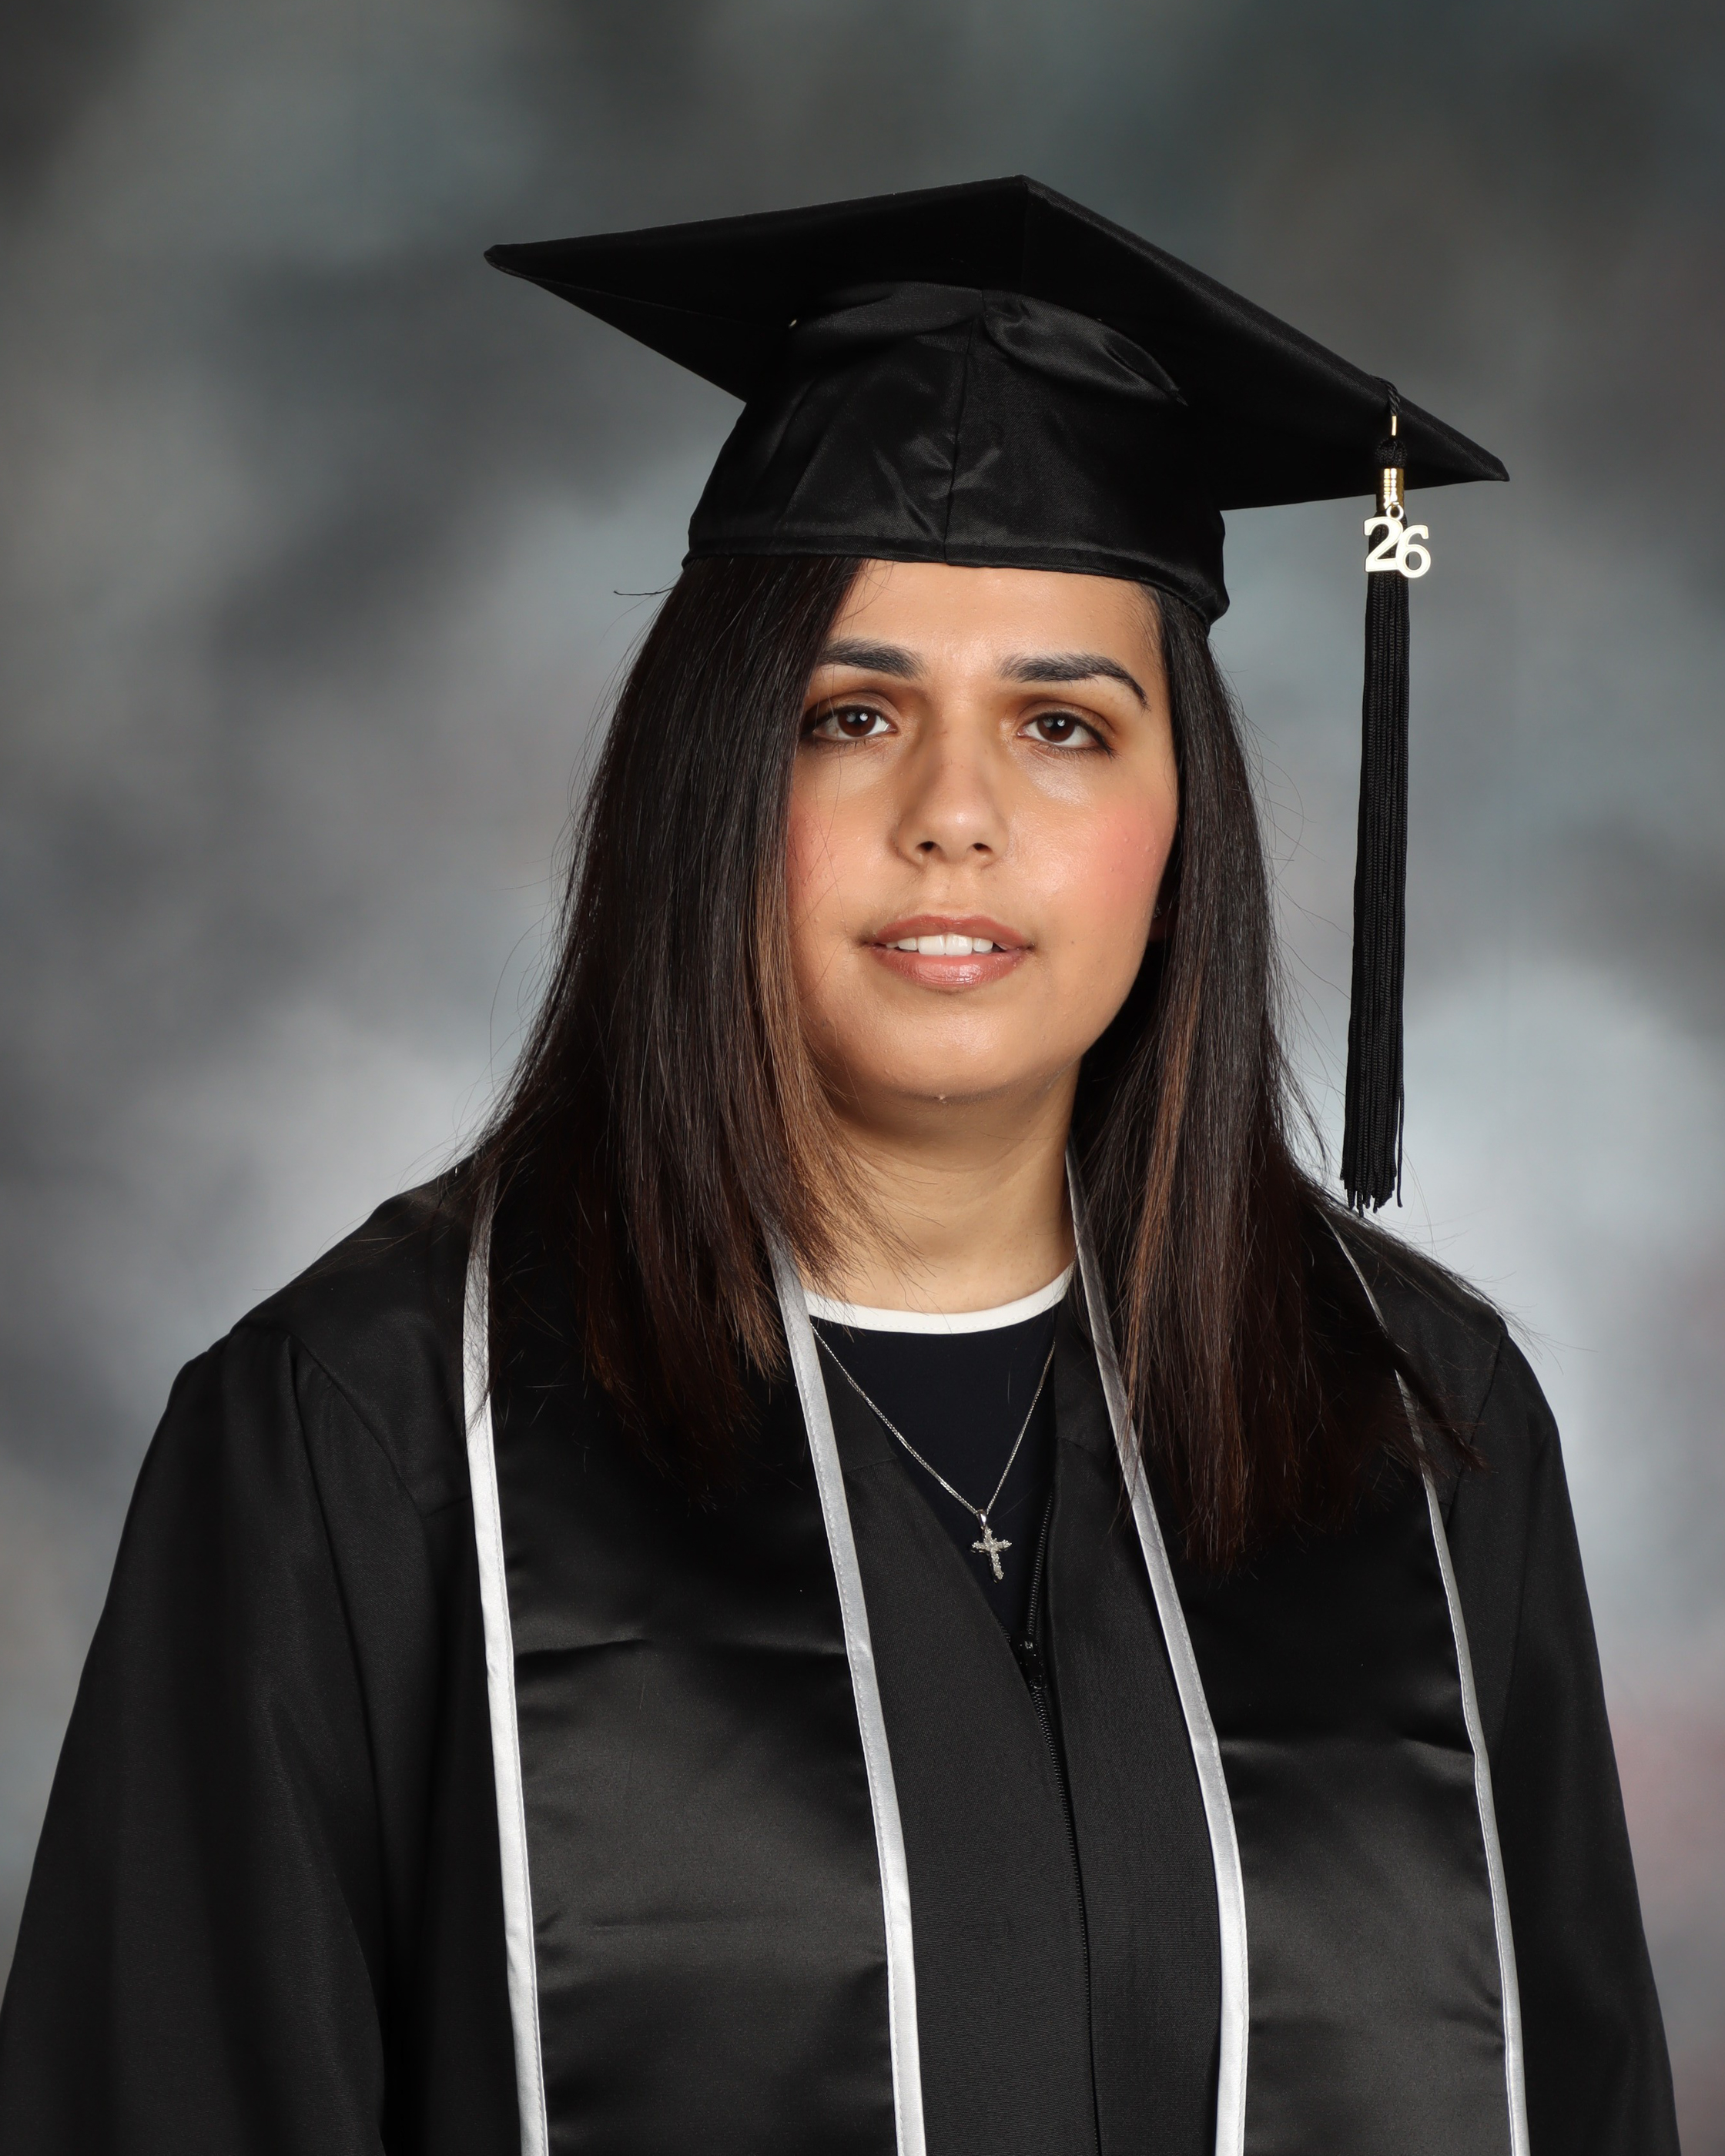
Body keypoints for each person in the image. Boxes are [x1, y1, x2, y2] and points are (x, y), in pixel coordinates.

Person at [0, 178, 1679, 2156]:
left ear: (1181, 828)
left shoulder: (1414, 1424)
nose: (952, 813)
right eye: (850, 713)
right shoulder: (361, 1439)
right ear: (712, 778)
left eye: (1062, 724)